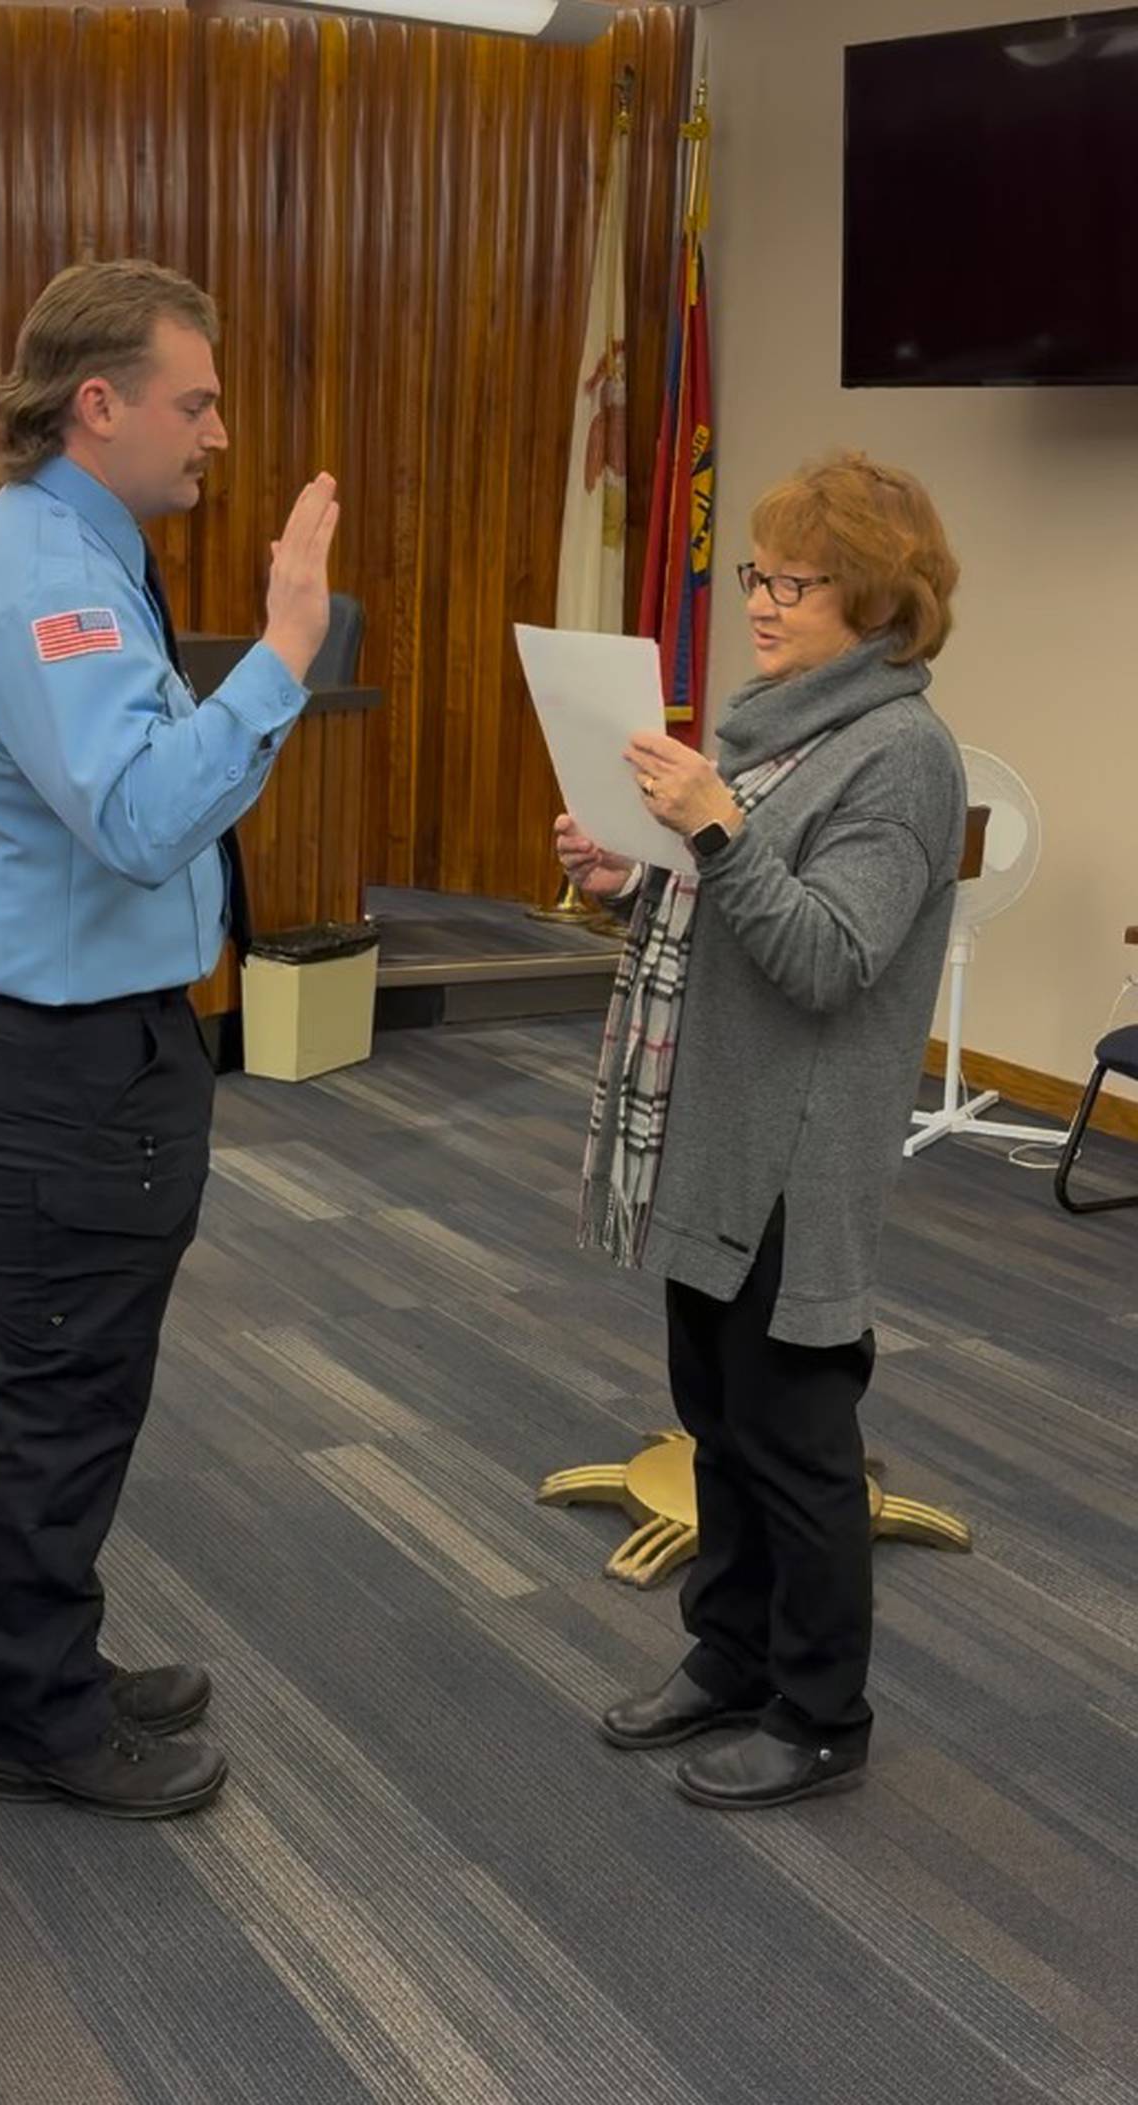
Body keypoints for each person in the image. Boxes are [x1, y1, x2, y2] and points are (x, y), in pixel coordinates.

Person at [0, 259, 338, 1818]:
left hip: (89, 1043)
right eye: (196, 399)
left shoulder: (75, 553)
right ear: (99, 405)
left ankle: (51, 1658)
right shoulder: (51, 581)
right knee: (67, 1392)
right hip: (65, 1061)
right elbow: (148, 816)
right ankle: (33, 1715)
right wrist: (287, 649)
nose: (218, 432)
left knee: (80, 1385)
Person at [556, 451, 964, 1809]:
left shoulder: (903, 754)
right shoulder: (774, 723)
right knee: (717, 1423)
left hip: (794, 1157)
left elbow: (829, 957)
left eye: (799, 580)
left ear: (878, 599)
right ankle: (728, 1653)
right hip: (709, 1132)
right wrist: (636, 877)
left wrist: (716, 830)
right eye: (762, 575)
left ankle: (820, 1709)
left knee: (798, 1448)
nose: (766, 602)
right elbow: (722, 921)